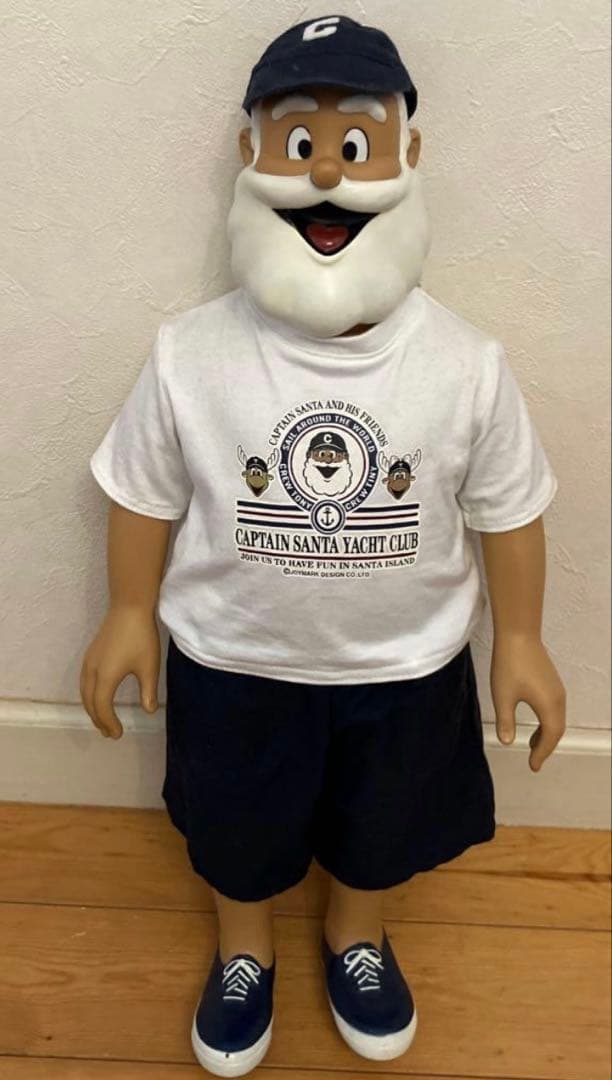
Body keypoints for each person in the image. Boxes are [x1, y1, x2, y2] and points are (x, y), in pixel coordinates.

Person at [80, 15, 566, 1077]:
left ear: (409, 155)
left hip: (406, 670)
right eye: (301, 144)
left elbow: (508, 507)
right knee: (235, 830)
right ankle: (243, 947)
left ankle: (357, 931)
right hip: (233, 664)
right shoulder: (190, 354)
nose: (329, 177)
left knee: (382, 828)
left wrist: (523, 639)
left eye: (357, 145)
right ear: (251, 154)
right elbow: (143, 492)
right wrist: (127, 613)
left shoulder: (466, 365)